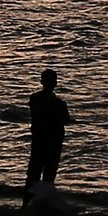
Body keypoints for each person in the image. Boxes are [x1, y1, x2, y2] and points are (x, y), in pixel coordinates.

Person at [25, 69, 70, 204]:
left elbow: (65, 120)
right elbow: (37, 111)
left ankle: (40, 203)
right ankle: (28, 204)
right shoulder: (39, 99)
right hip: (44, 141)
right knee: (36, 175)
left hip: (50, 141)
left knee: (45, 175)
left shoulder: (57, 102)